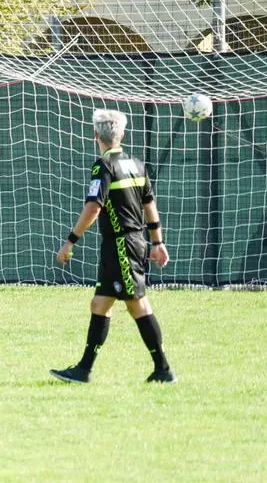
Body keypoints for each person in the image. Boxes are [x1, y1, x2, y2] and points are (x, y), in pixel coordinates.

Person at [49, 108, 176, 384]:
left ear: (96, 135)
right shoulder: (137, 164)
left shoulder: (104, 166)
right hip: (128, 243)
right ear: (123, 134)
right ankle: (83, 370)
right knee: (100, 303)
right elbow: (149, 205)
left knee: (137, 305)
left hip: (122, 246)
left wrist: (70, 241)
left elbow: (94, 207)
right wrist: (158, 242)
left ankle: (163, 369)